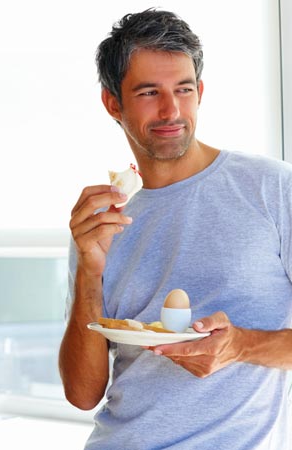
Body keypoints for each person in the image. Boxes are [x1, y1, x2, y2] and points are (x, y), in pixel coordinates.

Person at [59, 8, 292, 450]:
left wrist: (241, 346)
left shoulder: (273, 188)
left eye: (183, 89)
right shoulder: (102, 221)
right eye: (149, 92)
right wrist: (89, 269)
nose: (172, 110)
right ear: (113, 103)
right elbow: (82, 393)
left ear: (199, 92)